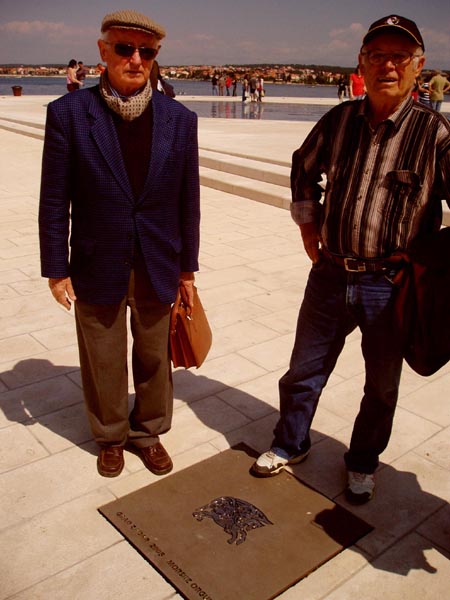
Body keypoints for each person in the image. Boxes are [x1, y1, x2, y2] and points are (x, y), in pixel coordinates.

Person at [251, 15, 450, 504]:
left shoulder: (435, 134)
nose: (388, 65)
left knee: (381, 387)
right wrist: (308, 224)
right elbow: (303, 167)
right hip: (330, 274)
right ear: (361, 63)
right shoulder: (339, 121)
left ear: (418, 66)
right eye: (378, 55)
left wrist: (437, 269)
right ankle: (290, 442)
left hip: (390, 285)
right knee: (303, 371)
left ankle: (362, 461)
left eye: (399, 56)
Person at [39, 9, 200, 478]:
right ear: (103, 51)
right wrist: (56, 268)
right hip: (96, 259)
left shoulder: (179, 120)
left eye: (146, 51)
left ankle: (147, 432)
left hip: (157, 259)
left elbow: (188, 201)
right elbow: (55, 200)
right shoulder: (68, 115)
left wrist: (187, 269)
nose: (135, 59)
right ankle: (110, 435)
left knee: (154, 355)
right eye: (125, 48)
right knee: (103, 356)